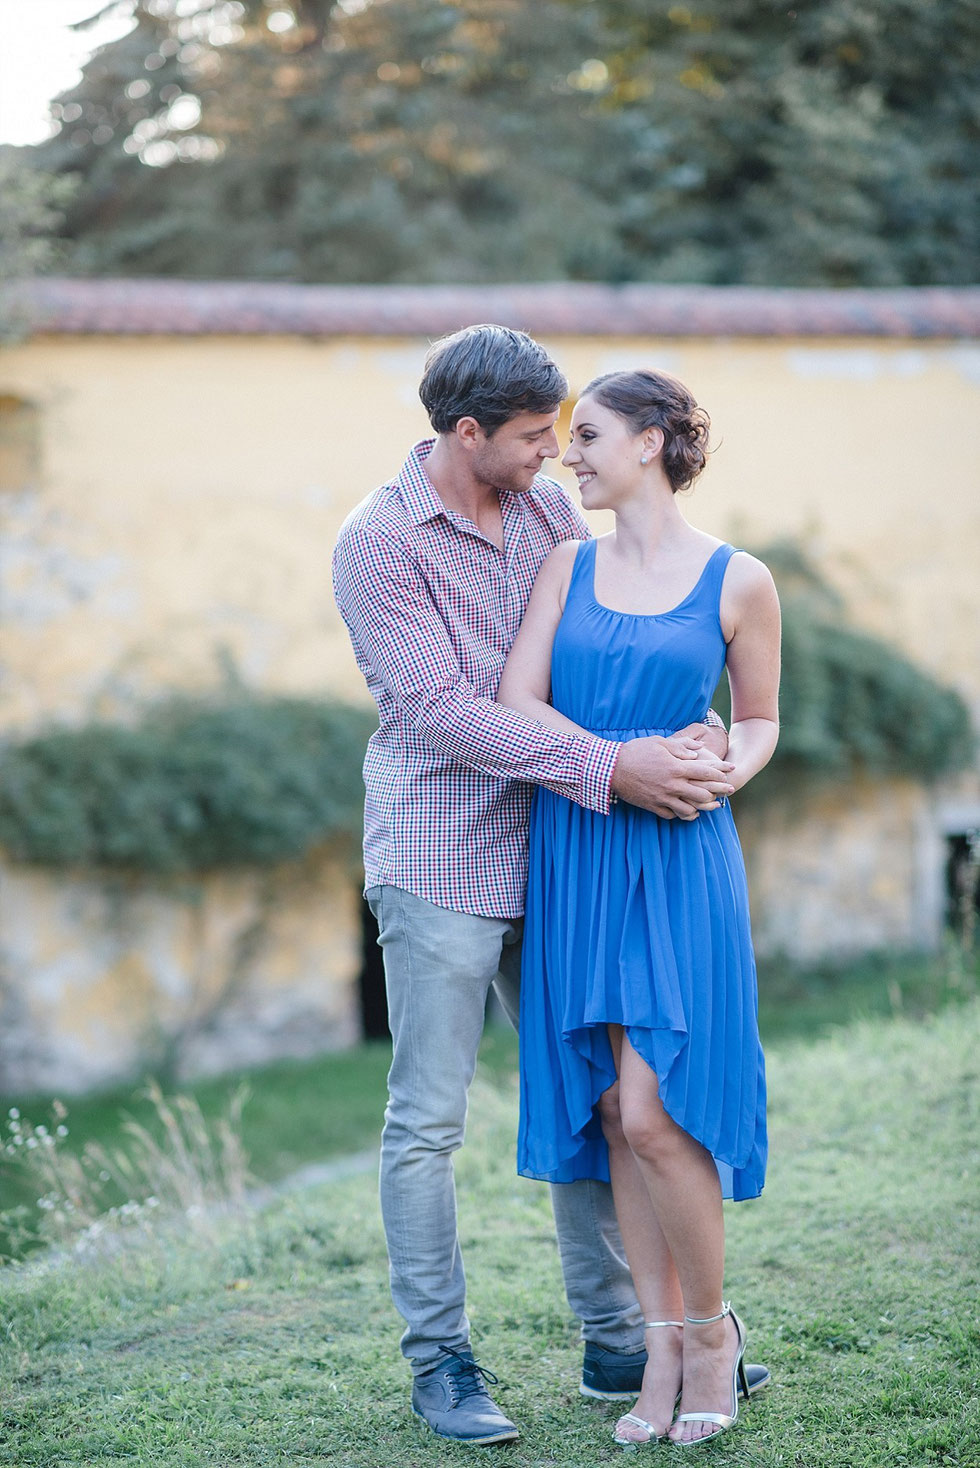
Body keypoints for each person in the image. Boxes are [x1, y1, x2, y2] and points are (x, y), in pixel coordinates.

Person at [332, 326, 767, 1447]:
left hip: (572, 853)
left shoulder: (543, 513)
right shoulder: (379, 542)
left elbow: (610, 633)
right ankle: (440, 1358)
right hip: (442, 853)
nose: (553, 458)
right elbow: (440, 710)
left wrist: (687, 734)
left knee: (597, 1098)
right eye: (533, 438)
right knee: (427, 1120)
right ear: (465, 434)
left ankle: (620, 1335)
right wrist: (615, 764)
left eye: (565, 435)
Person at [497, 369, 780, 1448]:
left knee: (659, 1111)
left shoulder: (738, 578)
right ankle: (659, 1345)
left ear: (654, 443)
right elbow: (519, 702)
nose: (570, 454)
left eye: (591, 436)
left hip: (677, 854)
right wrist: (617, 761)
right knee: (614, 1111)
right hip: (577, 843)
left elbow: (756, 719)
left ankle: (710, 1333)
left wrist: (722, 766)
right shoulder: (564, 568)